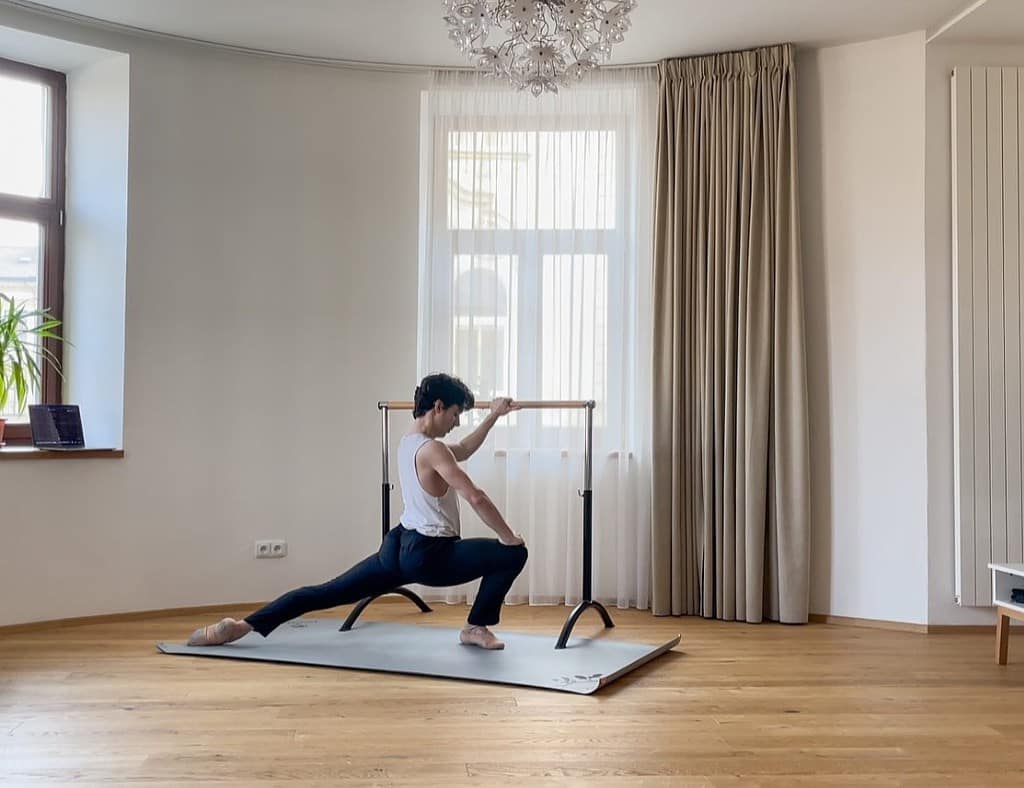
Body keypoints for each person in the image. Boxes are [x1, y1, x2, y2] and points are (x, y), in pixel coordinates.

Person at [187, 373, 528, 650]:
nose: (456, 423)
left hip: (397, 546)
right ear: (438, 406)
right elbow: (476, 496)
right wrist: (508, 537)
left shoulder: (410, 441)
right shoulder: (435, 449)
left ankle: (240, 627)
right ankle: (475, 626)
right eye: (456, 414)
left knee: (327, 591)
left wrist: (493, 416)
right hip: (429, 555)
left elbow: (465, 448)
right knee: (512, 555)